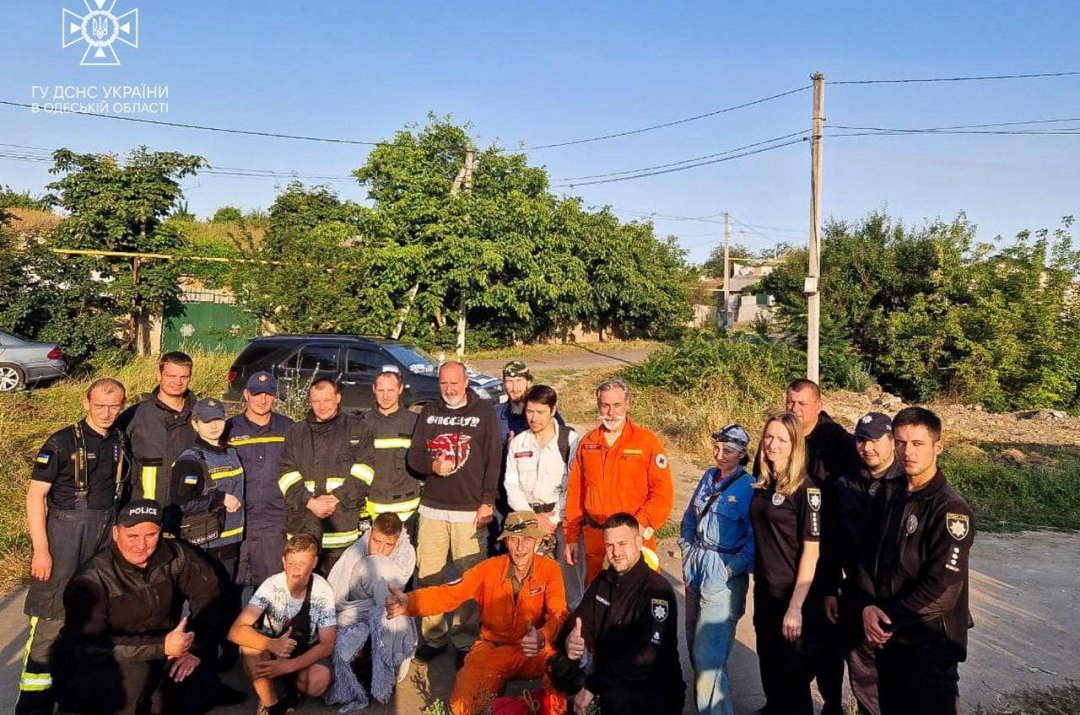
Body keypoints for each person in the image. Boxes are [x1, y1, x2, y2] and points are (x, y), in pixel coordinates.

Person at [52, 499, 245, 715]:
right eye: (132, 536)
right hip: (107, 660)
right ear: (116, 533)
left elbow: (210, 596)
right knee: (135, 679)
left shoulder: (177, 556)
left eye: (150, 535)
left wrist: (192, 646)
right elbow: (89, 646)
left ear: (160, 531)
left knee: (193, 683)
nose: (141, 545)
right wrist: (162, 647)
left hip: (163, 648)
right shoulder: (91, 580)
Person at [17, 378, 129, 715]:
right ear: (86, 403)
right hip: (63, 538)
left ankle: (76, 695)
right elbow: (35, 496)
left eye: (114, 406)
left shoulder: (119, 442)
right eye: (100, 406)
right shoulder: (61, 442)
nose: (107, 413)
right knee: (51, 620)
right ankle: (33, 704)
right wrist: (41, 549)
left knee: (95, 617)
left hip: (102, 534)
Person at [386, 511, 569, 715]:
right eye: (514, 540)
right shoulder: (488, 569)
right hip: (492, 648)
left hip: (532, 650)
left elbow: (558, 612)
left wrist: (542, 636)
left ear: (537, 540)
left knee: (564, 672)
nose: (520, 547)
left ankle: (524, 704)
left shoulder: (550, 569)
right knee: (462, 707)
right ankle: (504, 698)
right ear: (505, 541)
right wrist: (409, 602)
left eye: (527, 539)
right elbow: (449, 594)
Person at [857, 407, 974, 715]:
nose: (908, 452)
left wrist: (887, 618)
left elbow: (944, 587)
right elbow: (868, 556)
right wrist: (867, 605)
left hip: (929, 643)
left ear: (938, 446)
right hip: (889, 640)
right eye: (901, 442)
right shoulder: (888, 494)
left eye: (918, 443)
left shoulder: (950, 509)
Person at [405, 361, 502, 667]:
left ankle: (465, 641)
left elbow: (493, 458)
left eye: (454, 383)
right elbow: (414, 455)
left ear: (466, 381)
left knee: (468, 580)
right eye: (443, 383)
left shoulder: (483, 411)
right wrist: (432, 465)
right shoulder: (429, 411)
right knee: (429, 576)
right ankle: (434, 637)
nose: (449, 389)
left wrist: (487, 501)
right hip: (433, 508)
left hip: (470, 511)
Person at [550, 512, 684, 715]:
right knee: (559, 667)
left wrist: (594, 684)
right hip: (609, 676)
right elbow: (578, 621)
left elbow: (648, 655)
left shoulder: (657, 591)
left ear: (639, 542)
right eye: (610, 545)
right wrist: (571, 639)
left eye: (622, 544)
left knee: (616, 699)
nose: (616, 552)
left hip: (651, 688)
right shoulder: (602, 582)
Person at [819, 412, 904, 715]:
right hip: (857, 590)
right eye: (861, 440)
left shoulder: (908, 483)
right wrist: (829, 588)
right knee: (864, 676)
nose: (867, 448)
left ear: (892, 441)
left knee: (903, 679)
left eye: (875, 440)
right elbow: (832, 543)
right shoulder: (845, 483)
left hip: (899, 595)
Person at [784, 378, 859, 715]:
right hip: (789, 552)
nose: (795, 409)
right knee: (788, 640)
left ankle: (832, 704)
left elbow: (849, 500)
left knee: (826, 638)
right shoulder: (783, 434)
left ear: (818, 404)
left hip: (827, 553)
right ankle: (786, 703)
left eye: (802, 403)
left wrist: (833, 577)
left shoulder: (837, 442)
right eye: (790, 402)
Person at [563, 379, 674, 587]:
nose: (611, 412)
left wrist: (637, 526)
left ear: (627, 404)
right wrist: (571, 537)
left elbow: (662, 494)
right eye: (605, 405)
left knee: (640, 598)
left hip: (634, 539)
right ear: (598, 405)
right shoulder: (588, 443)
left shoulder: (646, 442)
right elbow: (575, 492)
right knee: (598, 598)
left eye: (617, 405)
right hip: (597, 541)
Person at [679, 424, 755, 715]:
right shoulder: (708, 477)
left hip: (723, 572)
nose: (720, 455)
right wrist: (686, 550)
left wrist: (730, 569)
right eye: (717, 448)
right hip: (696, 565)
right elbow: (689, 517)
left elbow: (754, 539)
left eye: (728, 451)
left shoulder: (750, 487)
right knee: (694, 645)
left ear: (742, 454)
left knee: (709, 655)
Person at [748, 412, 821, 715]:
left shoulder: (806, 490)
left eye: (781, 439)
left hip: (791, 595)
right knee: (769, 665)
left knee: (793, 677)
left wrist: (795, 607)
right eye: (768, 437)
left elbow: (811, 552)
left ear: (795, 446)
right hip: (765, 590)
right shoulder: (763, 483)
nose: (772, 444)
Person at [170, 397, 246, 669]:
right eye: (207, 421)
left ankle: (225, 660)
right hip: (207, 545)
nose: (214, 426)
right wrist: (219, 499)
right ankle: (200, 661)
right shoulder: (191, 459)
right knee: (208, 605)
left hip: (232, 541)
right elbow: (182, 502)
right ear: (195, 424)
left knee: (228, 601)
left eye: (218, 420)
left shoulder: (230, 451)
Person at [228, 534, 338, 715]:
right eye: (291, 563)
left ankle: (291, 684)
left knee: (317, 683)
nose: (296, 569)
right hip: (273, 645)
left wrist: (290, 665)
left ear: (314, 562)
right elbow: (235, 631)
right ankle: (271, 704)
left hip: (305, 648)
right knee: (249, 648)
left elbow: (327, 644)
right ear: (283, 562)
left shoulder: (322, 589)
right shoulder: (271, 585)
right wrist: (272, 644)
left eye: (302, 564)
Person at [278, 378, 370, 575]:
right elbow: (285, 472)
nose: (321, 406)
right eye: (316, 401)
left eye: (327, 400)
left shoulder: (357, 430)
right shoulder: (296, 433)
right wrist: (309, 501)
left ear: (338, 398)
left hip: (341, 527)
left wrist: (337, 496)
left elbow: (365, 471)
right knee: (304, 588)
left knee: (341, 588)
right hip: (304, 526)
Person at [325, 513, 417, 712]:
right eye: (376, 541)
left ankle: (384, 669)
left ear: (398, 542)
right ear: (369, 534)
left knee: (389, 615)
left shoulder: (407, 552)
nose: (381, 550)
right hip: (352, 612)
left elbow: (398, 590)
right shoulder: (353, 554)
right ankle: (363, 668)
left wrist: (385, 608)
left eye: (389, 545)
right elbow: (336, 597)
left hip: (386, 607)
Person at [504, 384, 582, 606]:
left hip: (563, 521)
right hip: (528, 520)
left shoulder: (570, 440)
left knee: (569, 583)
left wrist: (553, 519)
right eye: (530, 411)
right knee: (530, 583)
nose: (534, 418)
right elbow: (511, 485)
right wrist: (533, 519)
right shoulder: (519, 443)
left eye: (540, 412)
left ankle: (570, 624)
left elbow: (576, 484)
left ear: (553, 410)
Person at [227, 371, 295, 589]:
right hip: (236, 520)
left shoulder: (288, 428)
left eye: (268, 394)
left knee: (270, 588)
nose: (262, 399)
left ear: (275, 396)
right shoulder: (229, 429)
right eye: (257, 393)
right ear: (247, 394)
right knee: (229, 585)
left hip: (274, 522)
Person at [120, 351, 198, 511]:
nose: (178, 382)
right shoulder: (135, 415)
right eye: (171, 376)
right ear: (159, 375)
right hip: (145, 511)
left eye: (184, 376)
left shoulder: (201, 414)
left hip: (190, 510)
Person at [355, 368, 422, 544]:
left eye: (391, 390)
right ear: (374, 389)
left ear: (400, 390)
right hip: (371, 510)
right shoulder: (360, 424)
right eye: (381, 390)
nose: (385, 396)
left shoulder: (416, 423)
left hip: (406, 511)